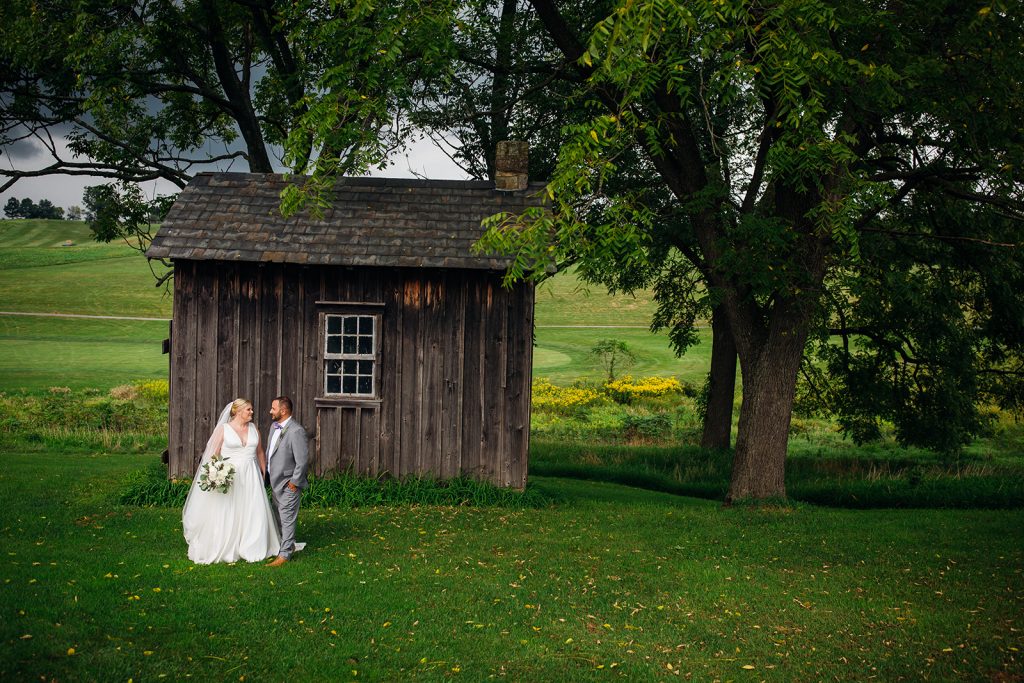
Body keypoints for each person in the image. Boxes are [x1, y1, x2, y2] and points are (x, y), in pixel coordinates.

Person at [182, 398, 281, 564]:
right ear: (238, 411)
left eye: (251, 409)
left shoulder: (253, 428)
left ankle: (253, 544)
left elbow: (260, 452)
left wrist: (265, 472)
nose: (252, 412)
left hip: (251, 476)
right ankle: (228, 545)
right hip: (231, 476)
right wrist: (216, 472)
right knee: (229, 509)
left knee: (252, 509)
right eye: (248, 409)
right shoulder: (224, 429)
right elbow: (213, 454)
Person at [265, 396, 309, 567]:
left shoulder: (296, 431)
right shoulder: (273, 427)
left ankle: (284, 555)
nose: (270, 411)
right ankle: (286, 544)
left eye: (273, 408)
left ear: (283, 411)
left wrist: (294, 482)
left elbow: (302, 460)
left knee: (287, 516)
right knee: (278, 515)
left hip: (288, 482)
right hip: (275, 481)